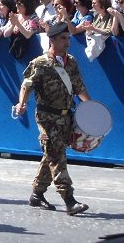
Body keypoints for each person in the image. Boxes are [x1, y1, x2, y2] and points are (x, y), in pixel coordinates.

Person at [14, 22, 91, 215]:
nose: (67, 42)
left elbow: (79, 88)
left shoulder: (71, 62)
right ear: (53, 40)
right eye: (63, 38)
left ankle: (37, 194)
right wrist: (22, 103)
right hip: (47, 118)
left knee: (51, 155)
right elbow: (27, 85)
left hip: (66, 117)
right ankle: (69, 200)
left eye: (68, 38)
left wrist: (91, 109)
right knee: (57, 157)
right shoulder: (40, 63)